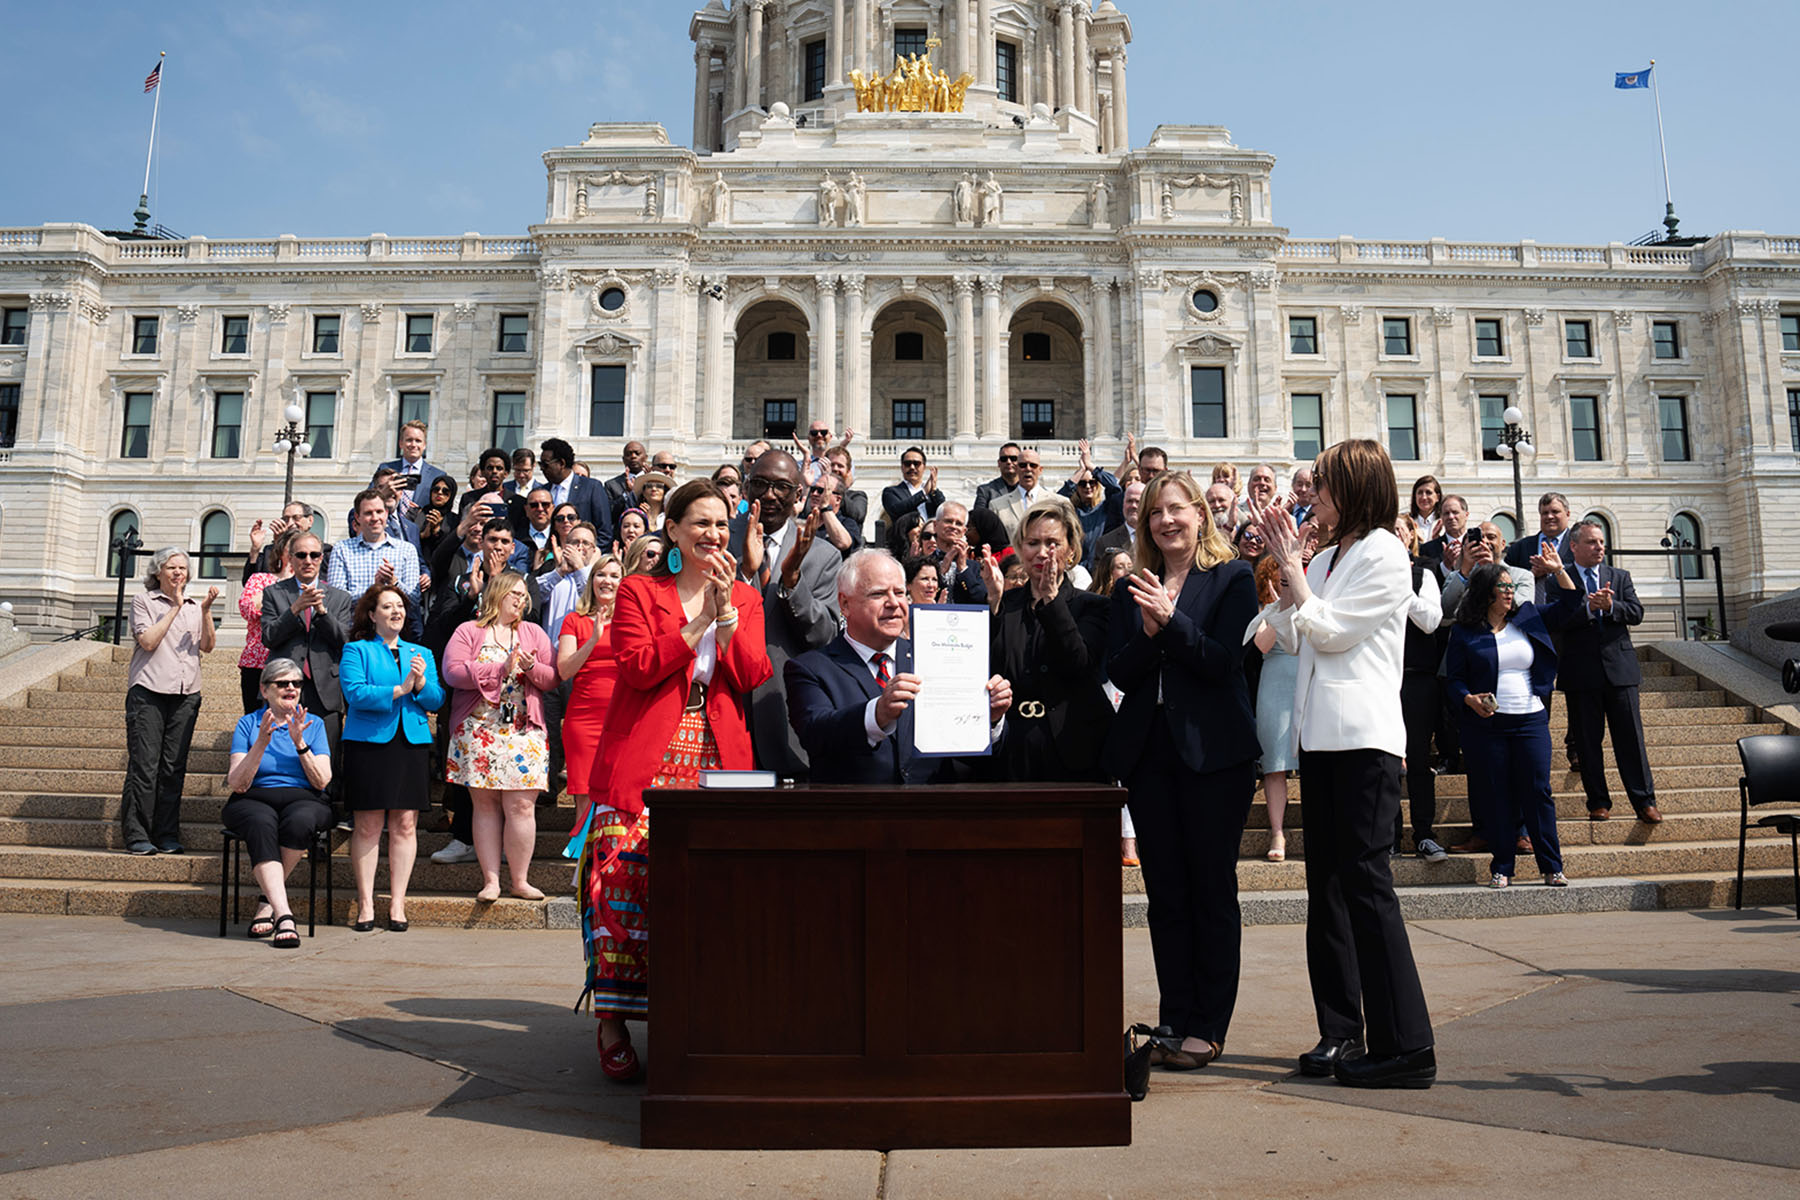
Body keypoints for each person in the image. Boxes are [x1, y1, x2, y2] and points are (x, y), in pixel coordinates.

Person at [1253, 438, 1436, 1090]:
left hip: (1365, 744)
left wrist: (1296, 576)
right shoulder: (1328, 555)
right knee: (1325, 893)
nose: (1312, 496)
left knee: (1366, 889)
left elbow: (1333, 631)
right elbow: (1297, 632)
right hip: (1319, 743)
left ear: (1353, 491)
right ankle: (1340, 1032)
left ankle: (1406, 1044)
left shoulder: (1387, 553)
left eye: (1323, 485)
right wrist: (1283, 572)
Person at [582, 479, 773, 1082]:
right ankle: (612, 1018)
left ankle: (692, 1013)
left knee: (706, 888)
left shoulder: (744, 593)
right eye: (701, 524)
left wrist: (725, 616)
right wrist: (694, 627)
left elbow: (750, 674)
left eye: (722, 525)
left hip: (717, 752)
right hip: (647, 748)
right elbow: (637, 668)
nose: (714, 535)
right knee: (621, 882)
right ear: (674, 531)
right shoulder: (642, 589)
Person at [1105, 471, 1259, 1071]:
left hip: (1214, 756)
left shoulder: (1233, 578)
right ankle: (1175, 1016)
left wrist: (1171, 624)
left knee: (1210, 890)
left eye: (1177, 509)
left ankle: (1209, 1024)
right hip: (1150, 756)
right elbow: (1120, 672)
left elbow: (1225, 664)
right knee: (1165, 893)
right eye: (1154, 513)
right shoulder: (1131, 589)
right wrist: (1151, 633)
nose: (1165, 520)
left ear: (1200, 514)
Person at [786, 550, 1009, 784]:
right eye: (879, 594)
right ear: (845, 603)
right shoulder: (811, 668)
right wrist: (876, 714)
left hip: (932, 813)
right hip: (855, 814)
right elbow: (816, 734)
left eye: (900, 592)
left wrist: (989, 719)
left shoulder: (935, 658)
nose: (893, 603)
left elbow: (974, 757)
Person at [1445, 557, 1579, 889]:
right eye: (1503, 586)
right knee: (1497, 795)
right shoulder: (1465, 631)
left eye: (1511, 586)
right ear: (1485, 592)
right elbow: (1453, 679)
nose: (1510, 592)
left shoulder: (1528, 616)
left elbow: (1572, 604)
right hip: (1488, 725)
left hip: (1530, 719)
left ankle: (1552, 866)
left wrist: (1558, 570)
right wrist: (1468, 699)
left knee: (1538, 791)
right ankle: (1502, 866)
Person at [444, 571, 560, 902]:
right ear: (497, 594)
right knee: (485, 805)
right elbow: (452, 672)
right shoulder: (469, 631)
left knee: (522, 805)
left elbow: (552, 677)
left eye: (525, 595)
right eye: (515, 594)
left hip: (524, 730)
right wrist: (500, 668)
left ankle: (520, 880)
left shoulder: (533, 633)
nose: (521, 600)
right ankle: (491, 880)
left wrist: (529, 668)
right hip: (479, 729)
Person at [981, 498, 1113, 782]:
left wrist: (1051, 601)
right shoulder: (1004, 604)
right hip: (1011, 754)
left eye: (1052, 543)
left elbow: (1080, 664)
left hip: (1074, 752)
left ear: (1071, 551)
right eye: (1032, 543)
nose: (1042, 552)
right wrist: (992, 605)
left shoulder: (1093, 606)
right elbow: (986, 664)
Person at [730, 450, 843, 779]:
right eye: (761, 484)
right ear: (747, 487)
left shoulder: (823, 556)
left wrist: (793, 583)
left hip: (785, 711)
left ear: (799, 495)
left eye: (781, 487)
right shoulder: (720, 543)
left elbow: (824, 636)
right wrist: (744, 574)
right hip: (724, 706)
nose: (769, 494)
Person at [339, 584, 445, 931]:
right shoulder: (357, 650)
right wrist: (399, 689)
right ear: (372, 615)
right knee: (368, 824)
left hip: (410, 742)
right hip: (369, 742)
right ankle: (366, 903)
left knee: (405, 824)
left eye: (400, 606)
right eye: (387, 607)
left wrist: (419, 685)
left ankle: (398, 903)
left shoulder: (421, 652)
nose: (395, 611)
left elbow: (435, 699)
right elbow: (355, 693)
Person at [1541, 520, 1662, 824]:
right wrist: (1586, 610)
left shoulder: (1619, 577)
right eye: (1592, 542)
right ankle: (1598, 802)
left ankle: (1644, 801)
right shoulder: (1558, 579)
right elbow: (1555, 621)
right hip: (1580, 672)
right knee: (1586, 742)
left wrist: (1610, 607)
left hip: (1620, 671)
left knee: (1631, 740)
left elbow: (1636, 613)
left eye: (1601, 542)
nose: (1599, 548)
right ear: (1574, 546)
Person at [222, 658, 334, 948]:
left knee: (300, 821)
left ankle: (267, 903)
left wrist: (300, 744)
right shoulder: (248, 724)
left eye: (296, 683)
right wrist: (261, 741)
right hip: (255, 796)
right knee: (260, 822)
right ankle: (285, 914)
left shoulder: (314, 724)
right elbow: (238, 783)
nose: (290, 688)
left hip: (304, 797)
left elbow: (322, 781)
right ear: (264, 690)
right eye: (282, 683)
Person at [121, 549, 218, 856]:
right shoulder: (144, 601)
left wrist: (204, 611)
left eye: (183, 568)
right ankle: (137, 834)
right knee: (145, 766)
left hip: (186, 693)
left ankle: (166, 834)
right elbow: (147, 642)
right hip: (148, 691)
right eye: (171, 568)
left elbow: (208, 646)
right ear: (158, 572)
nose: (178, 573)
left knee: (173, 767)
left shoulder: (194, 606)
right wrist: (174, 608)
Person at [260, 532, 355, 803]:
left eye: (314, 555)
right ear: (290, 559)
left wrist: (322, 613)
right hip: (285, 688)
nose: (308, 560)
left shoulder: (339, 597)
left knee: (328, 756)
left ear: (321, 558)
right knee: (286, 753)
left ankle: (325, 814)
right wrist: (294, 609)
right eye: (301, 555)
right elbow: (269, 636)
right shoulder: (274, 593)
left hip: (325, 688)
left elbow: (343, 641)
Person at [557, 554, 624, 846]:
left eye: (614, 575)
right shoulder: (575, 620)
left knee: (618, 796)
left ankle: (613, 874)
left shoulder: (631, 621)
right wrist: (594, 639)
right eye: (600, 574)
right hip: (584, 720)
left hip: (622, 718)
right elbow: (564, 669)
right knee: (584, 798)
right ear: (591, 581)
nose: (606, 581)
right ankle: (583, 879)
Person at [1394, 515, 1447, 861]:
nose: (1393, 535)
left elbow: (1430, 621)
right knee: (1383, 763)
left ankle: (1424, 834)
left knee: (1416, 760)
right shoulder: (1368, 573)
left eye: (1400, 530)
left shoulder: (1423, 573)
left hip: (1415, 679)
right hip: (1380, 678)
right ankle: (1388, 837)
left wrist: (1403, 592)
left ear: (1412, 536)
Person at [1244, 555, 1296, 862]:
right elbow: (1258, 649)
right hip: (1275, 684)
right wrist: (1280, 610)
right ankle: (1277, 831)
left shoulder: (1310, 602)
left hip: (1307, 682)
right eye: (1279, 573)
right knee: (1275, 764)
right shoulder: (1264, 611)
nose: (1283, 579)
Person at [327, 489, 424, 637]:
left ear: (386, 514)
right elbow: (337, 600)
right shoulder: (342, 549)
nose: (375, 518)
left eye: (379, 512)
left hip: (394, 636)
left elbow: (414, 600)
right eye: (368, 513)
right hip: (355, 633)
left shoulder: (406, 550)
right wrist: (374, 590)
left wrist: (394, 582)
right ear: (357, 517)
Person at [237, 528, 295, 713]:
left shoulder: (307, 585)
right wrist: (283, 583)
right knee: (255, 718)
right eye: (292, 548)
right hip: (257, 661)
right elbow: (249, 609)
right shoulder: (259, 579)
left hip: (291, 660)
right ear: (281, 552)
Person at [541, 437, 614, 549]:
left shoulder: (591, 487)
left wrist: (587, 556)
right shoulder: (542, 492)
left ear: (561, 463)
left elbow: (604, 532)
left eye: (545, 464)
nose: (542, 469)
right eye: (540, 464)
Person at [1505, 491, 1576, 605]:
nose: (1549, 516)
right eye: (1545, 513)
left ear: (1568, 514)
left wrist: (1555, 570)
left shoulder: (1579, 546)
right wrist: (1531, 574)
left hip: (1567, 613)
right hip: (1528, 614)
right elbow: (1505, 580)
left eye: (1555, 512)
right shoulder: (1520, 547)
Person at [375, 419, 450, 514]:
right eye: (409, 440)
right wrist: (384, 493)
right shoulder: (384, 469)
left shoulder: (438, 475)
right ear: (401, 444)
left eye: (418, 441)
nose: (413, 445)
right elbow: (367, 499)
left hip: (421, 527)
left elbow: (443, 510)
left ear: (424, 445)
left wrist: (422, 515)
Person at [989, 449, 1052, 542]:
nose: (1028, 469)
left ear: (1040, 470)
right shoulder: (997, 506)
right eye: (1023, 465)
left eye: (1033, 465)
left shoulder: (1059, 502)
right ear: (1017, 469)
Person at [881, 446, 944, 526]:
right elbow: (897, 511)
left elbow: (943, 512)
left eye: (916, 464)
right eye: (907, 464)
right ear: (902, 467)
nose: (912, 467)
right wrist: (923, 493)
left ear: (924, 467)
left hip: (929, 537)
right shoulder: (891, 492)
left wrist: (934, 490)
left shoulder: (932, 492)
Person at [1092, 481, 1145, 564]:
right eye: (1129, 501)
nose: (1133, 505)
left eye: (1138, 501)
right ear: (1123, 504)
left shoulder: (1159, 538)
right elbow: (1099, 576)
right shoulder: (1105, 543)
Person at [416, 474, 459, 562]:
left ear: (451, 495)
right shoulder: (419, 513)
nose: (439, 493)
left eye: (445, 491)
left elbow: (452, 545)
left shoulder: (454, 520)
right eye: (436, 489)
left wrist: (437, 530)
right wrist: (424, 533)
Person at [1419, 493, 1467, 569]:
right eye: (1446, 513)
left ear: (1466, 515)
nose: (1451, 517)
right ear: (1441, 517)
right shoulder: (1427, 549)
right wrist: (1445, 566)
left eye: (1455, 512)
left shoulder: (1477, 545)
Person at [972, 442, 1023, 511]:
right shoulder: (985, 491)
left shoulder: (1029, 489)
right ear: (999, 463)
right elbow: (978, 519)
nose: (1008, 462)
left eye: (1013, 458)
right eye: (1004, 459)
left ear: (1021, 462)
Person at [605, 441, 649, 512]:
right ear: (623, 459)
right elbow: (609, 511)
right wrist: (627, 493)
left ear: (646, 458)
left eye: (637, 453)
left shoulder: (654, 481)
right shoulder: (611, 485)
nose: (633, 456)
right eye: (629, 454)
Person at [1407, 475, 1443, 542]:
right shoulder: (1406, 522)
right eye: (1420, 493)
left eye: (1428, 492)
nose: (1424, 497)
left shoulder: (1445, 523)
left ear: (1437, 497)